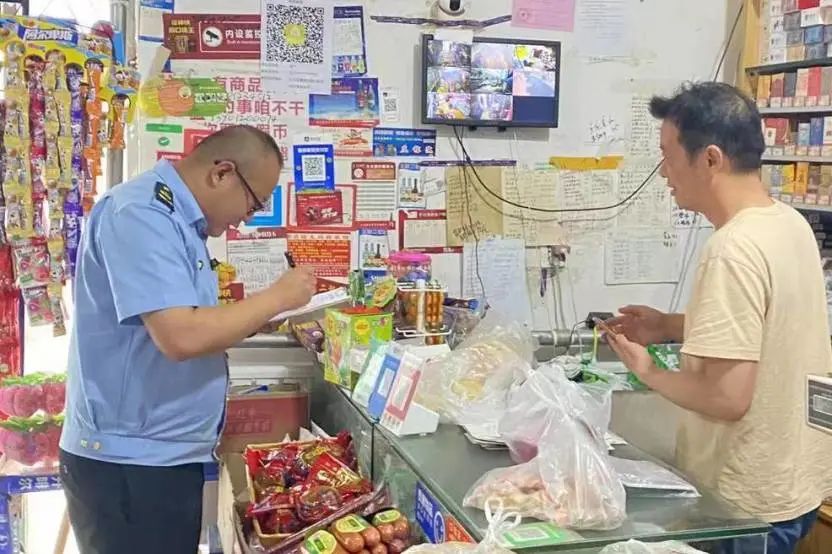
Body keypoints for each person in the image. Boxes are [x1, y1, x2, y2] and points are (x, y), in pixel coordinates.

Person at [59, 125, 317, 553]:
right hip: (129, 464)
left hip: (162, 456)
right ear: (222, 173)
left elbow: (191, 321)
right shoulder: (141, 214)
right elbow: (181, 336)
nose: (248, 217)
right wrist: (277, 297)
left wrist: (255, 320)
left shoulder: (180, 223)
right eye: (253, 202)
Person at [605, 82, 832, 554]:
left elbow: (728, 398)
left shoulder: (731, 249)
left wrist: (646, 370)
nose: (663, 172)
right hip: (794, 484)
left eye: (668, 156)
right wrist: (669, 326)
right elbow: (767, 328)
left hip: (744, 505)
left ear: (710, 159)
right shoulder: (787, 223)